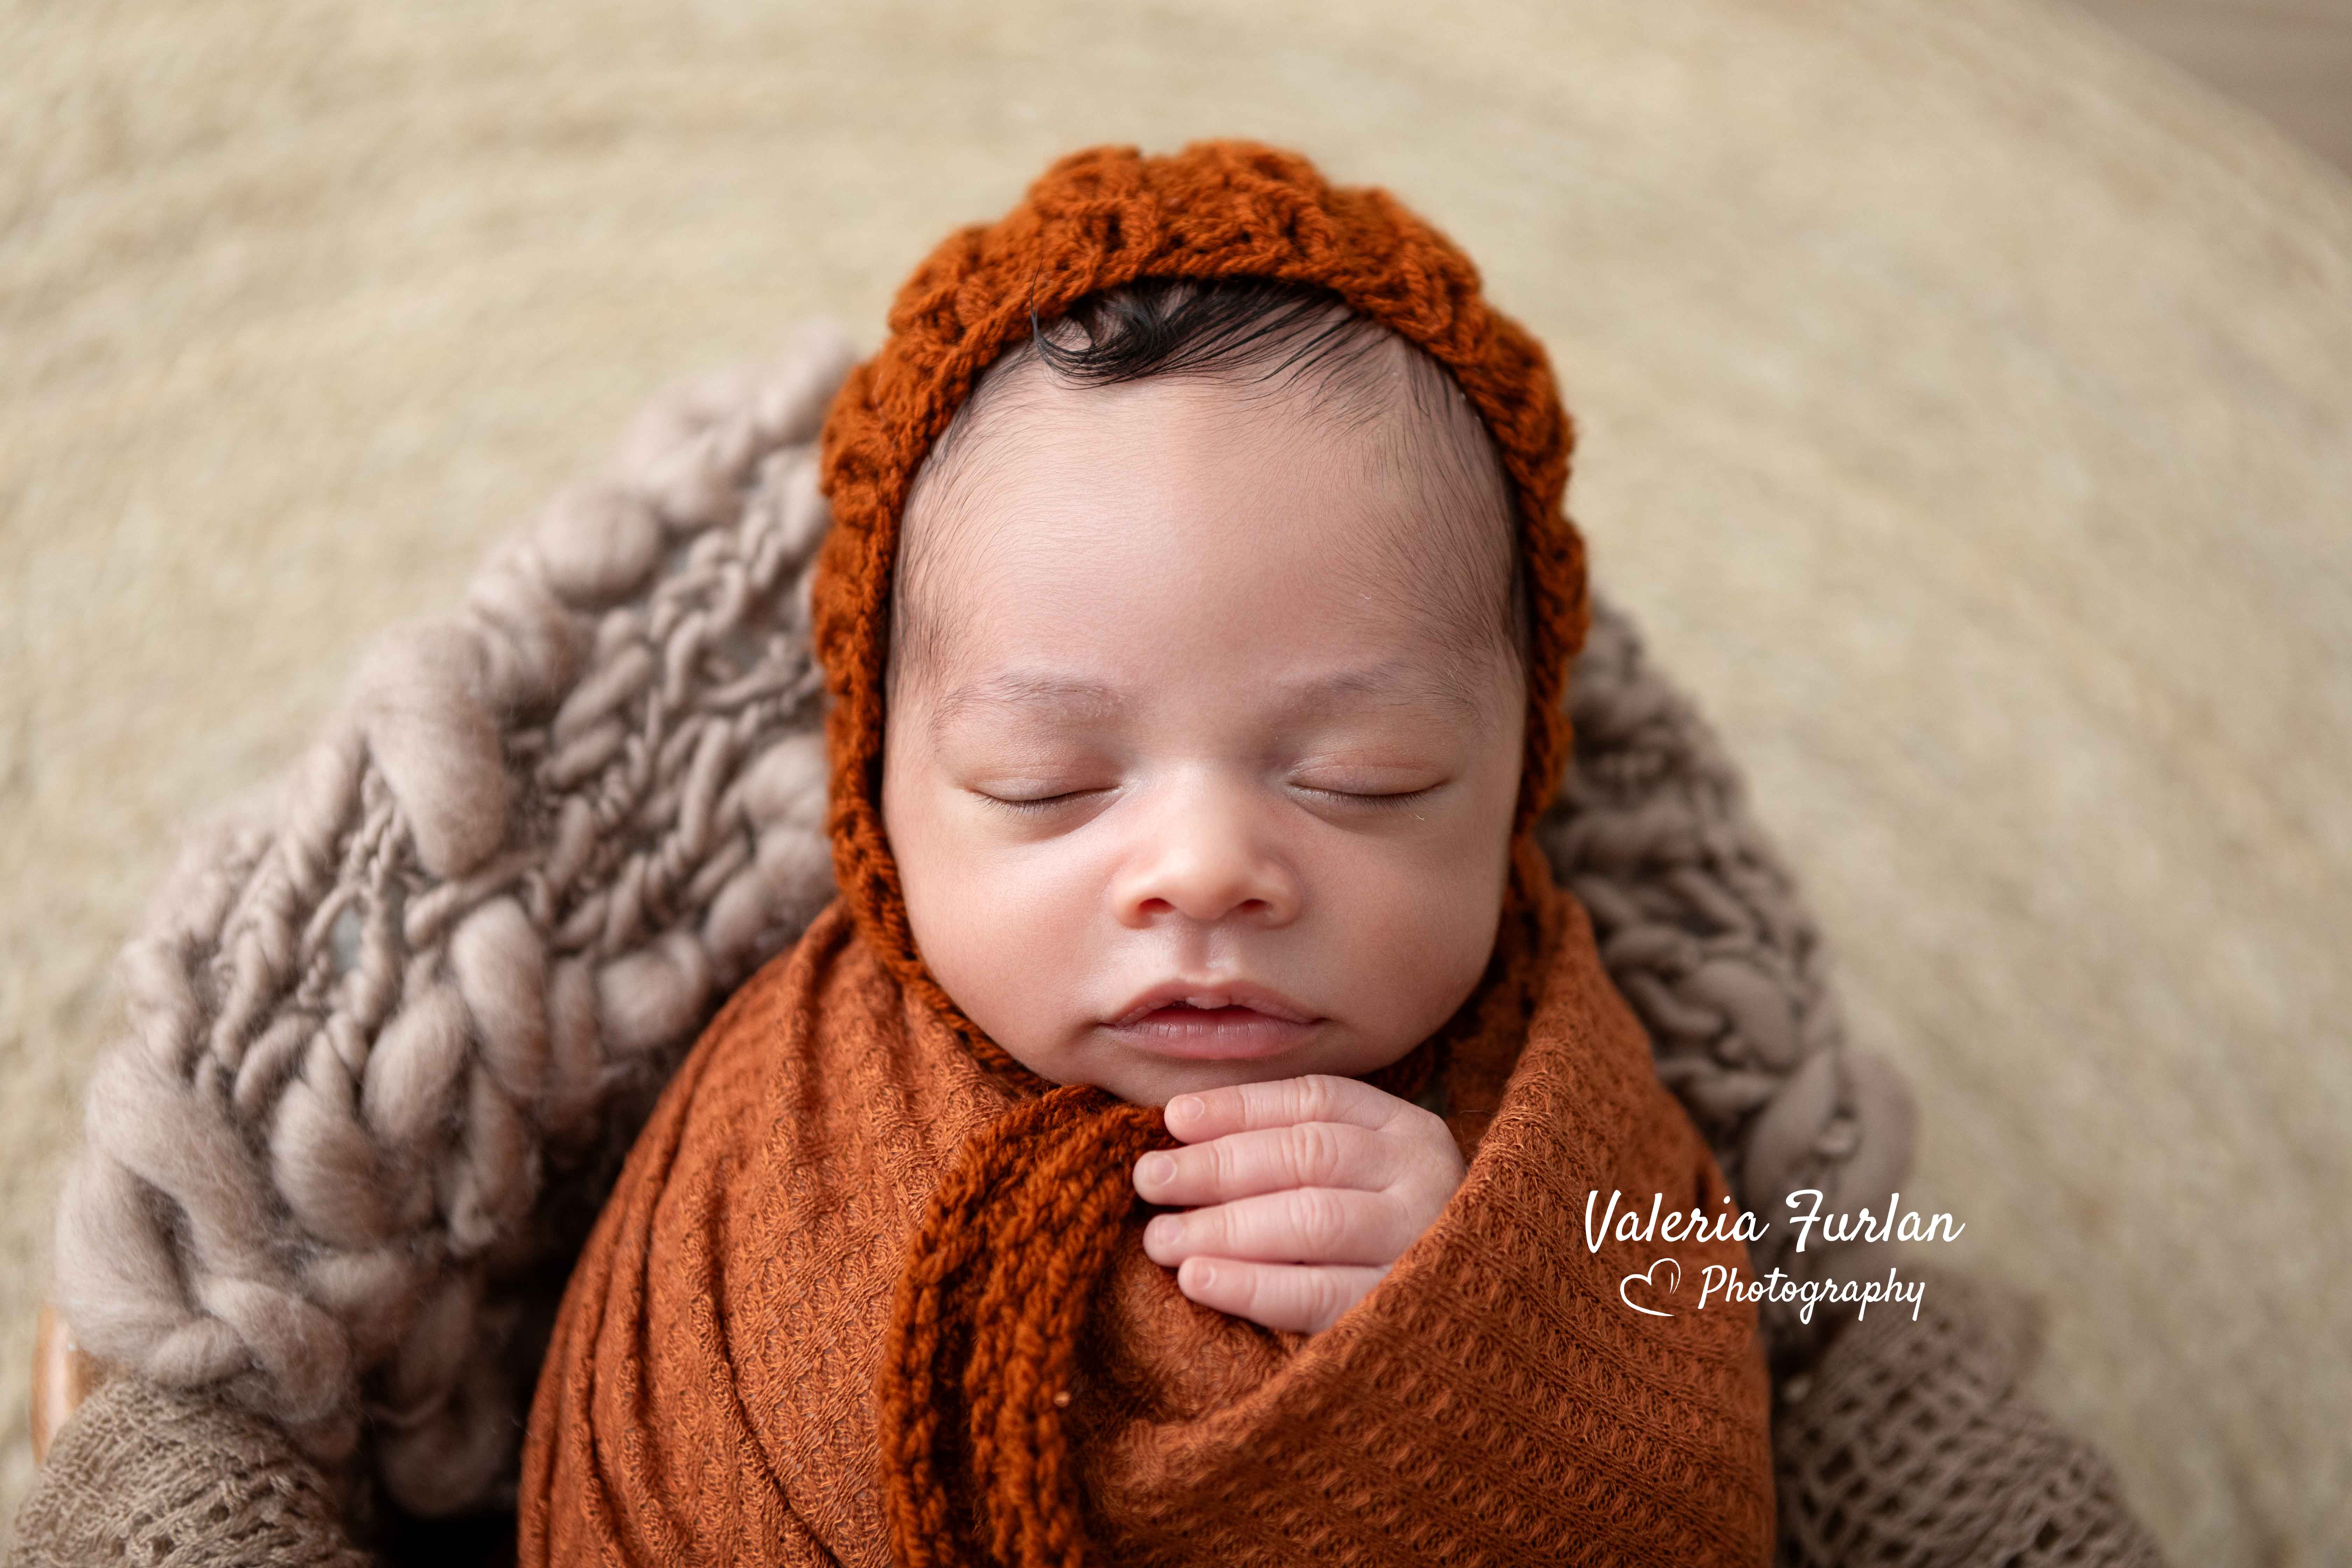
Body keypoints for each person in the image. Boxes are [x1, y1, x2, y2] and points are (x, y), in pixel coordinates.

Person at [519, 139, 1778, 1566]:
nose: (1201, 869)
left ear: (1517, 780)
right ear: (877, 792)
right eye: (1044, 782)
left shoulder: (1566, 1121)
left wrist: (1494, 1325)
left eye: (1365, 778)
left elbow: (1702, 1498)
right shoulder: (774, 1133)